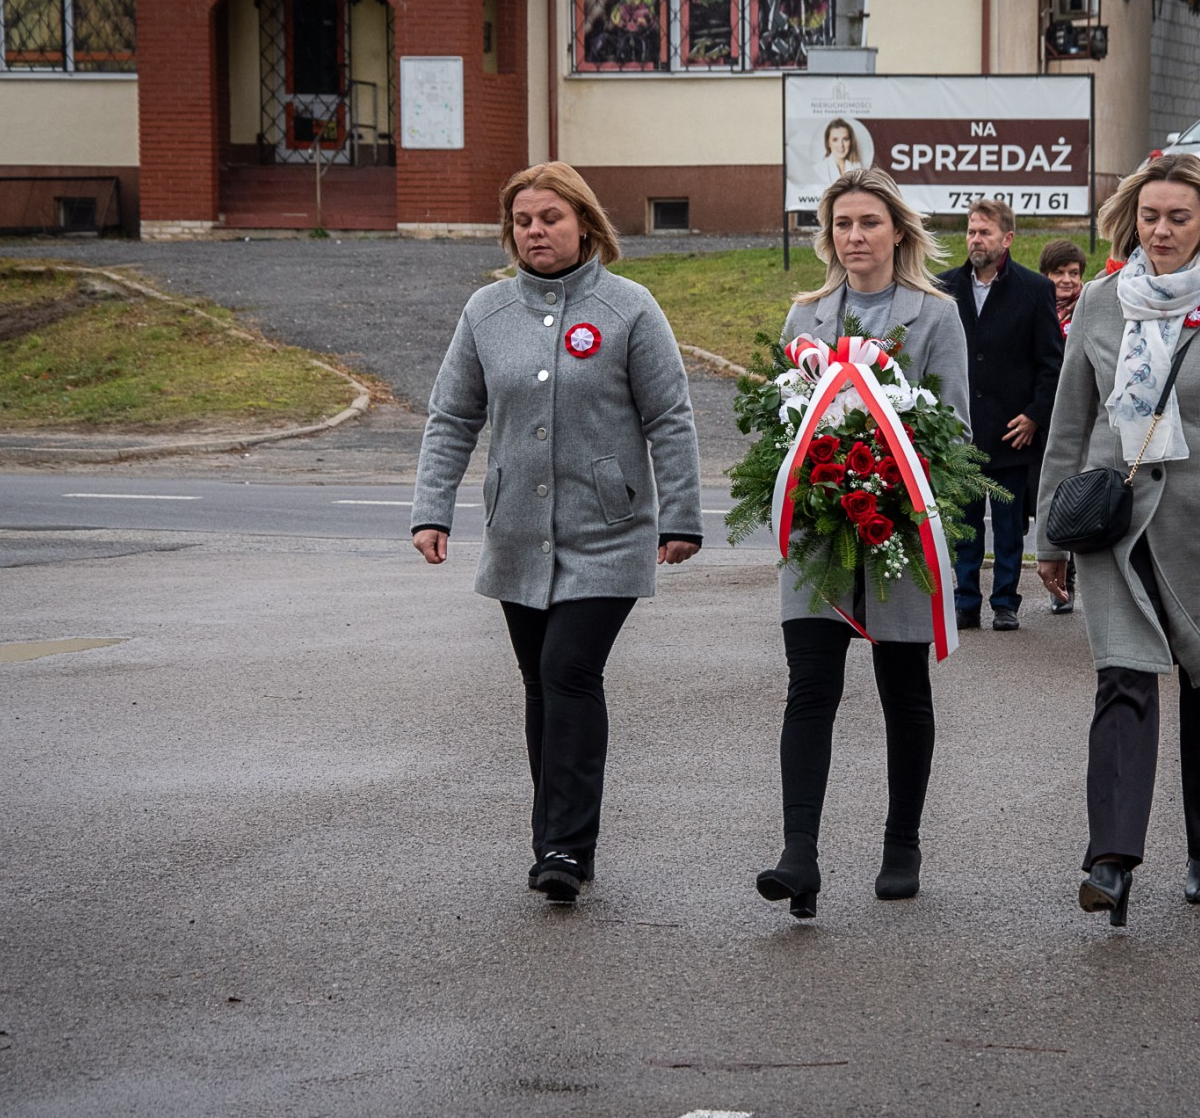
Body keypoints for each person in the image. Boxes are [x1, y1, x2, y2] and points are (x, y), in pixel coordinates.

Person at [411, 161, 703, 904]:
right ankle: (556, 839)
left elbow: (670, 418)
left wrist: (681, 515)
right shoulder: (486, 312)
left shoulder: (629, 308)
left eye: (550, 218)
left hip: (608, 531)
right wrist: (431, 508)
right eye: (522, 221)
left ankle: (566, 846)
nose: (535, 232)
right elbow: (452, 416)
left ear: (584, 224)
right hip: (516, 531)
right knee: (540, 684)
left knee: (569, 671)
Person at [1035, 154, 1200, 927]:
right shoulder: (1100, 301)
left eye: (1179, 217)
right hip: (1114, 525)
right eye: (1150, 216)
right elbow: (1070, 423)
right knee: (1123, 678)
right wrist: (1049, 535)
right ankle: (1110, 863)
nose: (1162, 230)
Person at [756, 167, 971, 919]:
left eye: (869, 223)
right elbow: (781, 420)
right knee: (810, 687)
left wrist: (887, 472)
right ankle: (799, 856)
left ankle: (902, 843)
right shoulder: (805, 316)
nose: (854, 236)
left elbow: (954, 430)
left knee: (903, 691)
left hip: (895, 530)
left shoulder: (936, 316)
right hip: (819, 532)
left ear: (898, 232)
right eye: (842, 224)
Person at [939, 198, 1063, 632]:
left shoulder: (1034, 290)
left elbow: (1052, 363)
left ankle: (1006, 602)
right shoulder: (943, 288)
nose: (976, 240)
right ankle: (966, 602)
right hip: (960, 432)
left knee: (1010, 529)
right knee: (964, 525)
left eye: (985, 233)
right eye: (971, 231)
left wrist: (1034, 416)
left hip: (1013, 433)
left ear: (1007, 239)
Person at [1039, 238, 1090, 615]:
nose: (1068, 280)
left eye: (1074, 273)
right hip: (1043, 418)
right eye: (1059, 273)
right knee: (1049, 499)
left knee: (1077, 499)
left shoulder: (1088, 309)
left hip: (1080, 419)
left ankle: (1070, 578)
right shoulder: (1038, 310)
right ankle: (1057, 569)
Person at [817, 118, 864, 184]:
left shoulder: (857, 166)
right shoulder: (819, 169)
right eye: (835, 140)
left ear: (850, 142)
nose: (841, 145)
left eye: (845, 139)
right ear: (828, 143)